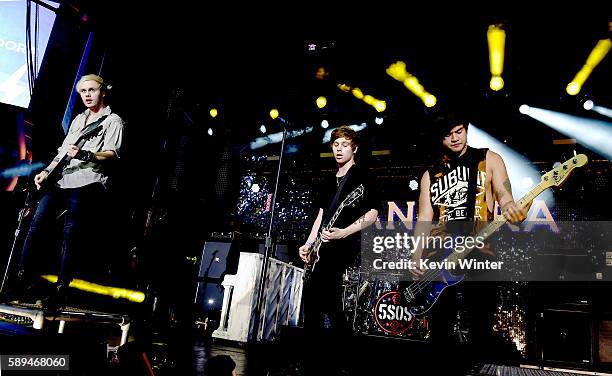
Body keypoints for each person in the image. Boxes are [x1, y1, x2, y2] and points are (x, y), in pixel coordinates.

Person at [409, 112, 531, 372]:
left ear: (465, 130)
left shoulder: (488, 159)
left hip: (480, 251)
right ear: (439, 138)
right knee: (441, 326)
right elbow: (424, 217)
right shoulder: (431, 173)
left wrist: (511, 208)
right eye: (447, 134)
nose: (454, 138)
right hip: (440, 257)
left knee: (480, 323)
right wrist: (416, 254)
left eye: (458, 131)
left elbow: (503, 195)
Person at [14, 73, 124, 309]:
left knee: (70, 234)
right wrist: (47, 171)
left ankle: (62, 289)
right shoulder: (77, 119)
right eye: (83, 92)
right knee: (36, 224)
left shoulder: (112, 120)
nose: (87, 95)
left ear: (102, 91)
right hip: (62, 179)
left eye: (92, 90)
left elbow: (112, 154)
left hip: (88, 181)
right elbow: (63, 151)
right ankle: (23, 280)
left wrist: (85, 154)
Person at [297, 126, 378, 374]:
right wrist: (309, 244)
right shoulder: (328, 180)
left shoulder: (362, 176)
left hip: (343, 246)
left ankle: (328, 359)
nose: (339, 149)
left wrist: (344, 232)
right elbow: (321, 216)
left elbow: (373, 214)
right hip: (323, 248)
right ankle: (337, 359)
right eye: (335, 145)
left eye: (344, 144)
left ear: (354, 148)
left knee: (318, 297)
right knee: (322, 302)